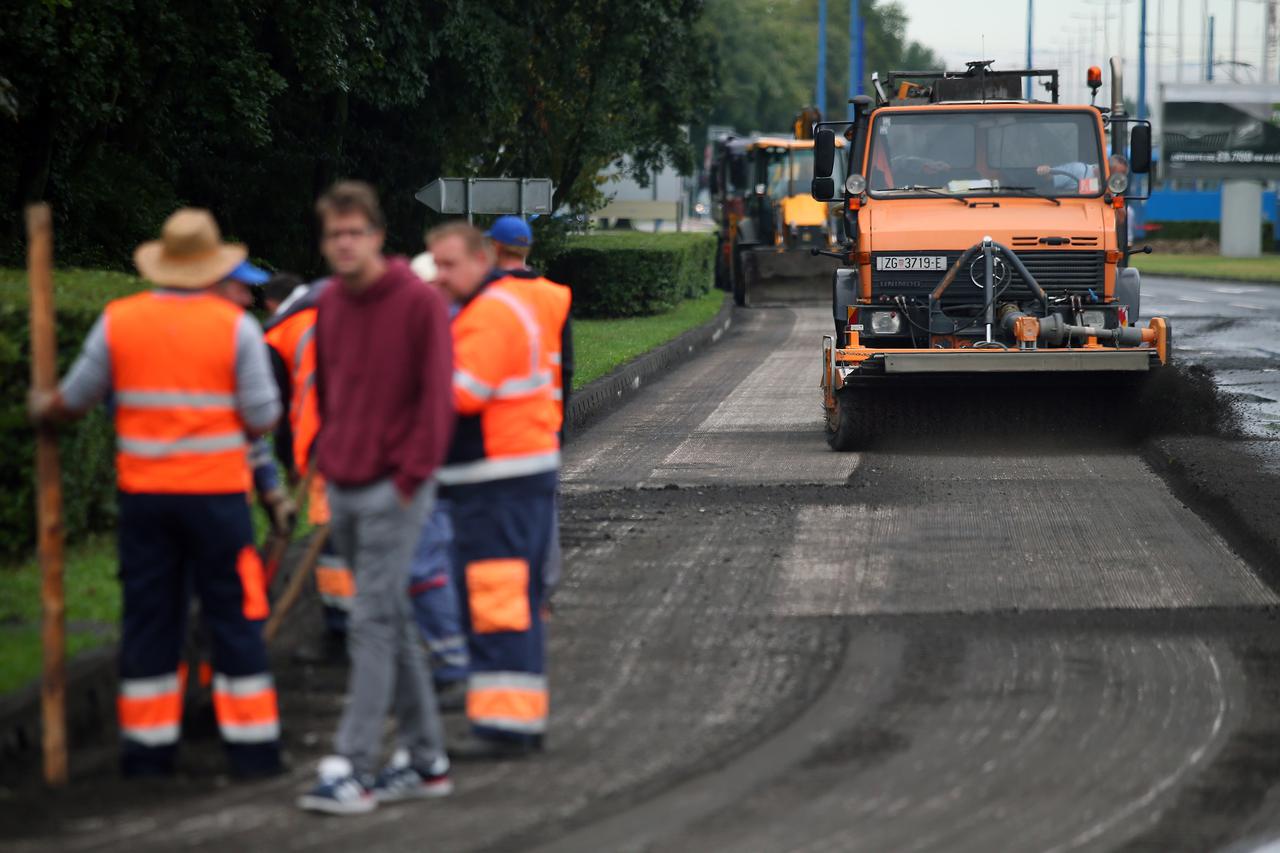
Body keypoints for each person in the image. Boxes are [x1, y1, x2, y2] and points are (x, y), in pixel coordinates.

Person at [29, 208, 284, 778]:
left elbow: (73, 400)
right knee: (234, 615)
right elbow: (264, 416)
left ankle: (148, 749)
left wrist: (41, 406)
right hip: (219, 501)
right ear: (211, 266)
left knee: (150, 618)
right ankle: (253, 748)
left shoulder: (120, 320)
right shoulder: (235, 326)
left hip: (146, 501)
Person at [298, 181, 453, 815]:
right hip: (347, 480)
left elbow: (437, 399)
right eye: (334, 234)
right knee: (390, 617)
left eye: (354, 233)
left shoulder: (417, 303)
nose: (344, 244)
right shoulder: (330, 303)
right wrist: (329, 463)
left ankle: (353, 766)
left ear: (377, 237)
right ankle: (426, 759)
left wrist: (408, 478)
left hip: (398, 487)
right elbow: (330, 393)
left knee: (368, 619)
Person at [429, 222, 559, 760]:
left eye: (447, 265)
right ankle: (509, 718)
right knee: (504, 599)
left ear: (483, 259)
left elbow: (460, 395)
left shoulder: (487, 314)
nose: (438, 276)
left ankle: (508, 726)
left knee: (498, 601)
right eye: (433, 264)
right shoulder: (493, 307)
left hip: (498, 482)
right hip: (506, 479)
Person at [262, 273, 354, 655]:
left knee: (331, 539)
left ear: (270, 303)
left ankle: (343, 631)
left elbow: (280, 411)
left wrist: (289, 463)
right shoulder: (347, 305)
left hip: (323, 447)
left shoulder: (277, 334)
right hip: (371, 440)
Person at [484, 216, 573, 596]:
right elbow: (566, 366)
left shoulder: (486, 293)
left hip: (498, 422)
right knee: (543, 508)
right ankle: (543, 587)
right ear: (528, 249)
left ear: (494, 248)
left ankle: (505, 588)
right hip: (545, 419)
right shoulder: (556, 294)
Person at [405, 250, 470, 712]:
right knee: (441, 562)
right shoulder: (460, 323)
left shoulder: (436, 330)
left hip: (435, 467)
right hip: (453, 468)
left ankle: (451, 664)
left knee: (427, 566)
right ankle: (453, 658)